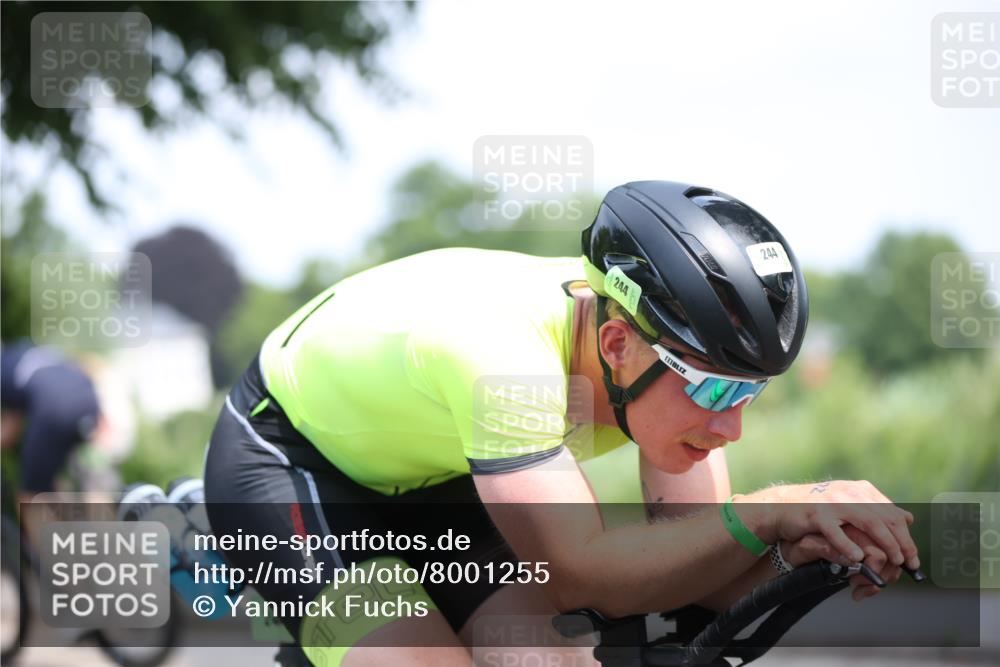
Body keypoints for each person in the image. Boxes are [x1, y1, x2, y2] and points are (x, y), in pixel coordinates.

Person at [203, 181, 920, 667]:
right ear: (617, 345)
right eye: (712, 386)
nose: (729, 426)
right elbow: (585, 577)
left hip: (442, 472)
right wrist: (771, 509)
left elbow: (703, 576)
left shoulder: (653, 367)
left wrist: (814, 546)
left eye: (750, 392)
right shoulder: (502, 357)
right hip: (289, 465)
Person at [1, 340, 101, 506]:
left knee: (30, 496)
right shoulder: (25, 350)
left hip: (55, 408)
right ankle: (81, 526)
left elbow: (8, 433)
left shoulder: (3, 371)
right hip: (90, 403)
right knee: (52, 479)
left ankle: (47, 531)